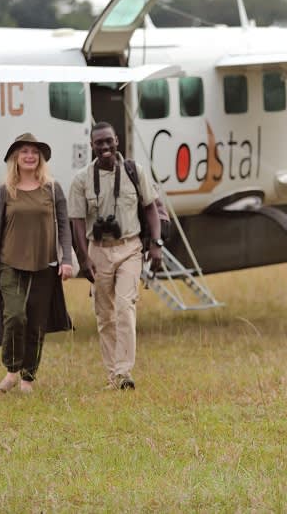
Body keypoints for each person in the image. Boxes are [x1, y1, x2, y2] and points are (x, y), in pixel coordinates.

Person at [0, 133, 75, 394]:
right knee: (15, 316)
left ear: (40, 158)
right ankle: (11, 371)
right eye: (24, 151)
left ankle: (28, 379)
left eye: (34, 152)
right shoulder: (4, 192)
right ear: (15, 158)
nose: (30, 156)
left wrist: (67, 260)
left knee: (37, 324)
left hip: (44, 265)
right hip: (10, 264)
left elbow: (64, 226)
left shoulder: (52, 189)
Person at [68, 122, 163, 391]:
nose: (105, 147)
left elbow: (151, 209)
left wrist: (156, 244)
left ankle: (124, 371)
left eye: (109, 141)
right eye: (99, 143)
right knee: (105, 315)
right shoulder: (81, 180)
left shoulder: (135, 172)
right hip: (98, 250)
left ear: (117, 140)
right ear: (92, 146)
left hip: (130, 247)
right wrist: (83, 258)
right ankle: (113, 375)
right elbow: (75, 221)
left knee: (124, 306)